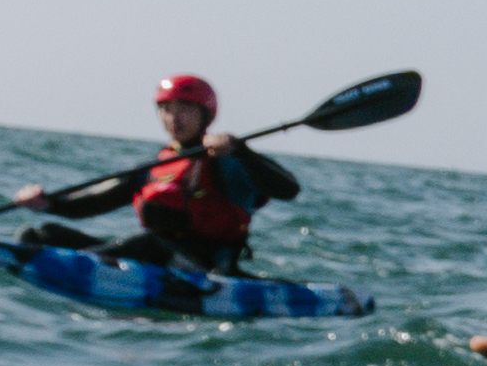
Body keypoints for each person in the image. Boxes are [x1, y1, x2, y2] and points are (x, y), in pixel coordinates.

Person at [22, 73, 297, 269]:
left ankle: (67, 265)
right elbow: (94, 202)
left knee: (147, 243)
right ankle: (57, 257)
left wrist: (242, 151)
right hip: (156, 257)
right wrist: (47, 203)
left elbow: (288, 189)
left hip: (207, 266)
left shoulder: (228, 160)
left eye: (185, 109)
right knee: (45, 234)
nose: (174, 118)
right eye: (166, 109)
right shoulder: (157, 164)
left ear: (205, 114)